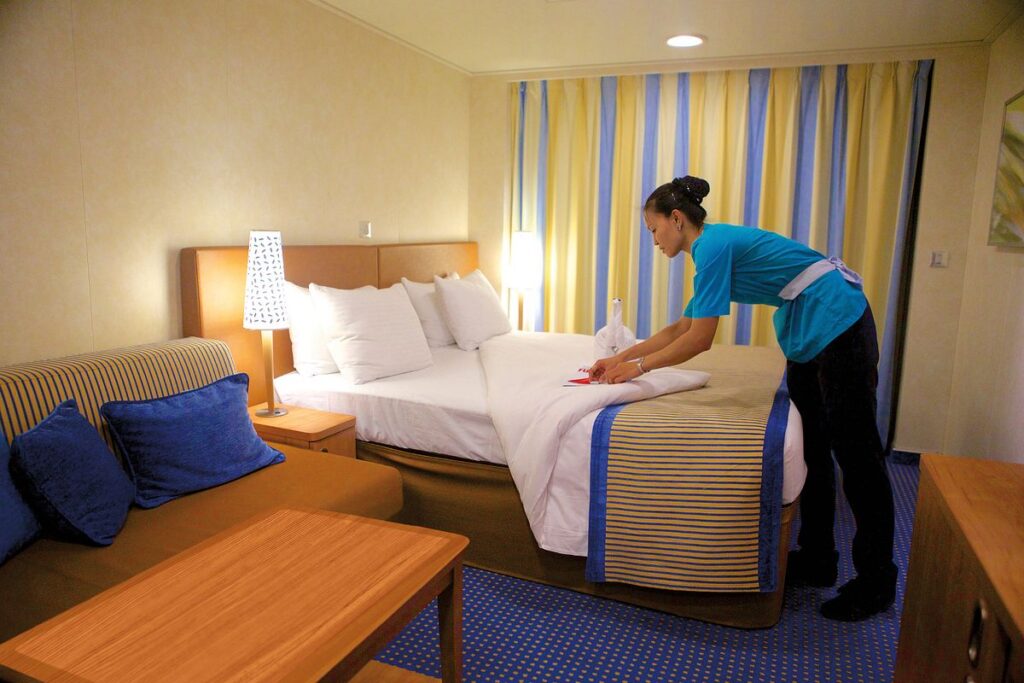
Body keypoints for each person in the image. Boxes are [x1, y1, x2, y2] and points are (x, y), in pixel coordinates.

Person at [589, 175, 898, 621]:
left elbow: (700, 340)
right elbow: (680, 328)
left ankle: (876, 580)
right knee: (814, 444)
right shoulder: (711, 247)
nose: (653, 241)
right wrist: (622, 356)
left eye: (653, 229)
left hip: (838, 320)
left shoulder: (712, 247)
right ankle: (818, 557)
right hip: (813, 325)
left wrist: (637, 370)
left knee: (857, 452)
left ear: (676, 220)